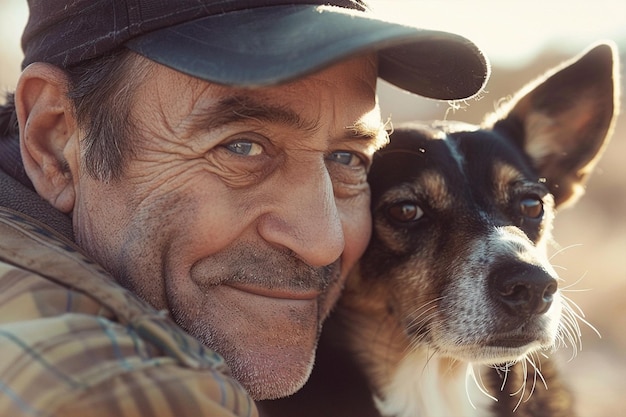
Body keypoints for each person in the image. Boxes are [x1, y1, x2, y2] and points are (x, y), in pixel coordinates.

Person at [0, 1, 489, 416]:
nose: (324, 243)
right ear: (55, 142)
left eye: (347, 159)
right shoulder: (109, 388)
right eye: (243, 147)